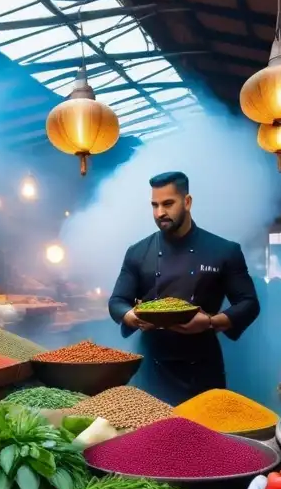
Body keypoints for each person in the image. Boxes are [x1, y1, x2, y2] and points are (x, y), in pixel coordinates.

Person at [108, 171, 261, 405]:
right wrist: (134, 317)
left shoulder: (224, 250)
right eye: (155, 205)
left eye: (168, 203)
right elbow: (117, 301)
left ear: (187, 202)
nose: (160, 213)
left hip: (201, 366)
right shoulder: (137, 252)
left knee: (204, 436)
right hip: (152, 365)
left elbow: (249, 303)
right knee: (152, 436)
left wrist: (211, 322)